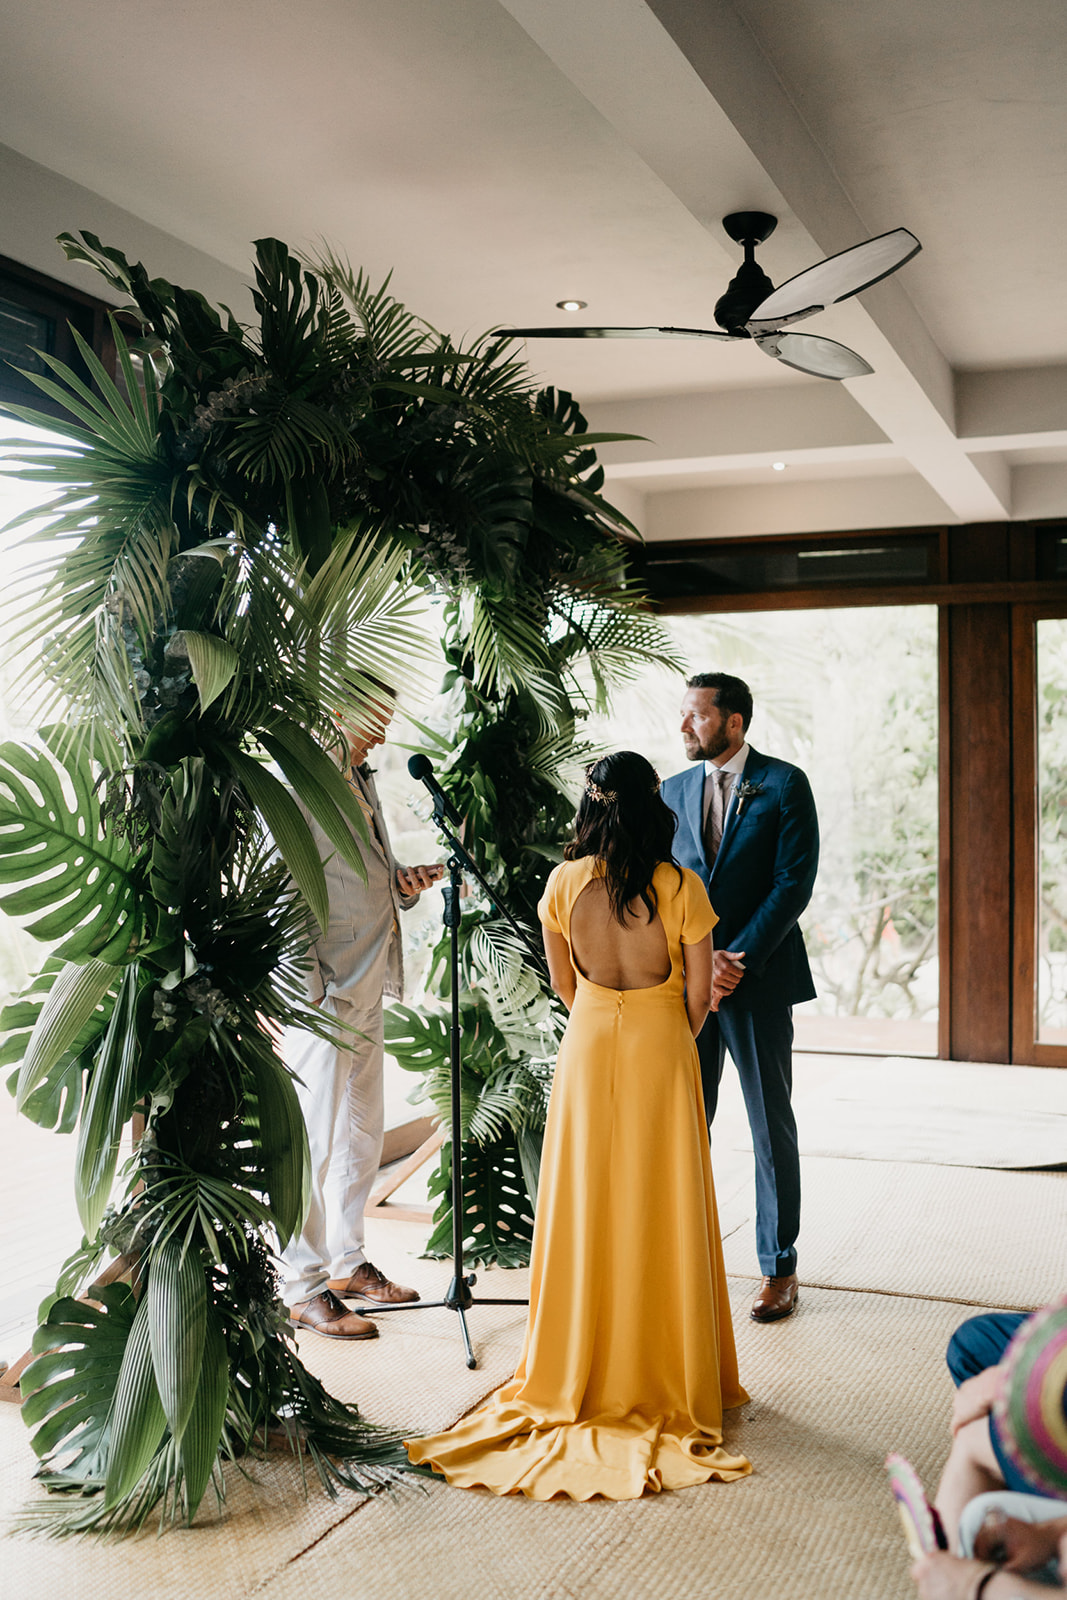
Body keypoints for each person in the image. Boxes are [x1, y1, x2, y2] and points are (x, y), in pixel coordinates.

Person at [405, 751, 751, 1499]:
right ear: (652, 807)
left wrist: (606, 1018)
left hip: (588, 1046)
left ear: (590, 807)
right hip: (663, 1046)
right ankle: (666, 1367)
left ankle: (582, 1361)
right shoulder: (679, 886)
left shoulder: (562, 884)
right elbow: (698, 995)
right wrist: (663, 1033)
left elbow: (563, 986)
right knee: (664, 1201)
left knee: (589, 1199)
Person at [282, 696, 444, 1339]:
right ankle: (301, 1284)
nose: (384, 727)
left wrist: (401, 881)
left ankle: (348, 1264)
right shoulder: (301, 785)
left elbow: (359, 873)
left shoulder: (361, 775)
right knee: (314, 1144)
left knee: (361, 1136)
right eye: (375, 712)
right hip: (322, 992)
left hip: (370, 978)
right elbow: (285, 884)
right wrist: (309, 990)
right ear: (336, 708)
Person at [661, 673, 819, 1323]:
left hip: (756, 981)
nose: (683, 727)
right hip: (683, 986)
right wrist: (696, 960)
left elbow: (792, 882)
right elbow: (662, 883)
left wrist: (734, 960)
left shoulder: (784, 784)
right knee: (683, 1124)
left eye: (695, 716)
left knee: (766, 1123)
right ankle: (678, 1255)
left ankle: (778, 1268)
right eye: (682, 715)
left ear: (733, 722)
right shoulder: (669, 791)